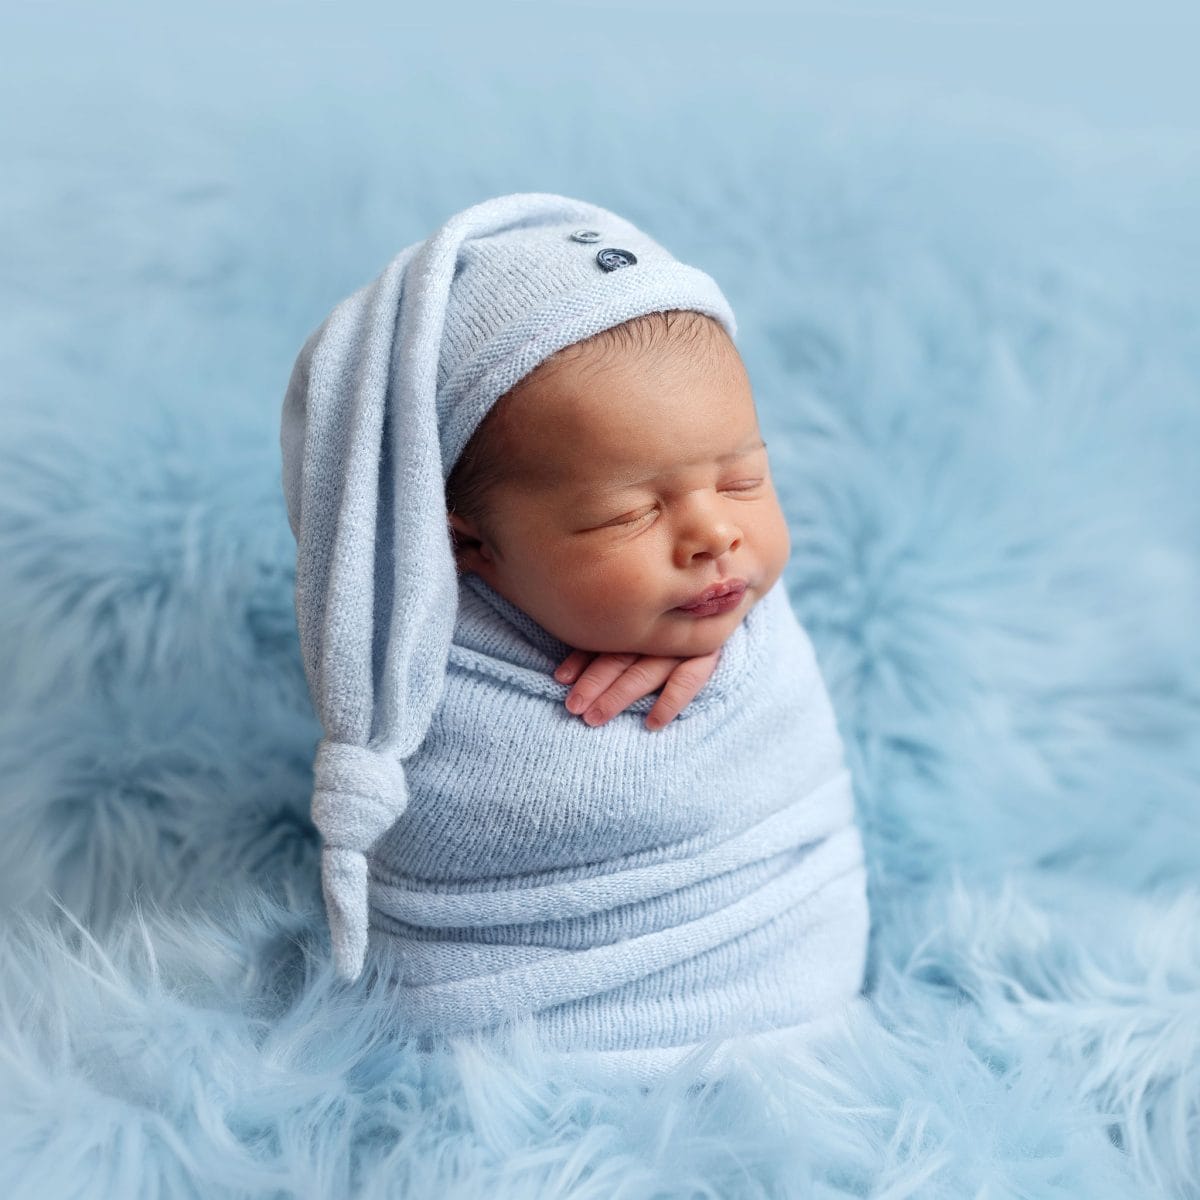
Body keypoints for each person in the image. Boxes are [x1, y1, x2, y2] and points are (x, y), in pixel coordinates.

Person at [280, 193, 870, 1084]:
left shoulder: (731, 609)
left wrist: (720, 647)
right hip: (528, 1062)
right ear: (467, 543)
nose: (715, 535)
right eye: (630, 512)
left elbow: (778, 719)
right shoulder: (416, 671)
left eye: (743, 478)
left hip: (803, 1001)